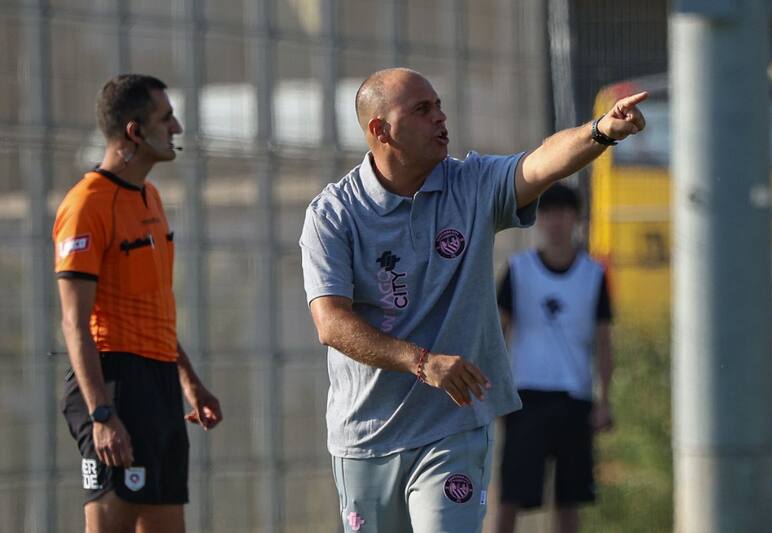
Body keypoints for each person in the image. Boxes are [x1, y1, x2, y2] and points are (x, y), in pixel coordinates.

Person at [299, 67, 645, 533]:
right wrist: (423, 362)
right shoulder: (333, 214)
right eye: (422, 110)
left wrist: (601, 130)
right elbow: (331, 324)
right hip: (367, 435)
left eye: (439, 105)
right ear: (380, 130)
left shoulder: (473, 183)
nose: (441, 118)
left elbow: (541, 162)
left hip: (453, 424)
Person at [54, 74, 222, 533]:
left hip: (159, 382)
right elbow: (74, 322)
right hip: (115, 385)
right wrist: (102, 414)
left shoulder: (151, 197)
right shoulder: (87, 204)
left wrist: (188, 379)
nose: (178, 129)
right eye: (166, 119)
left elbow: (152, 303)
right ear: (134, 131)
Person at [492, 183, 614, 533]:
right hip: (525, 398)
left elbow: (604, 342)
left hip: (575, 397)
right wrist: (497, 394)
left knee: (570, 499)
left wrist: (604, 400)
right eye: (547, 213)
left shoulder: (594, 275)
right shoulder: (518, 270)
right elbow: (498, 335)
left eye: (563, 213)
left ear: (576, 218)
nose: (555, 222)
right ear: (537, 219)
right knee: (510, 497)